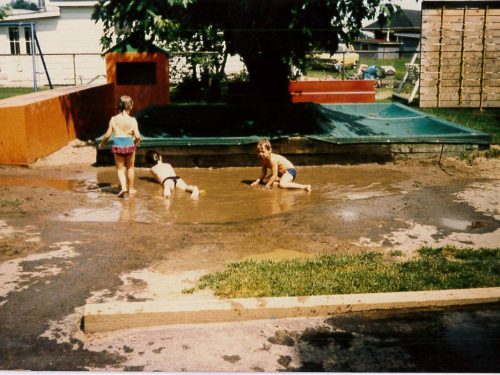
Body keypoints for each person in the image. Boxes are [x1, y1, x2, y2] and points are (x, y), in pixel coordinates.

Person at [98, 95, 141, 197]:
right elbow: (138, 136)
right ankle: (130, 189)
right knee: (130, 167)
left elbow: (108, 135)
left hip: (118, 145)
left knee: (120, 169)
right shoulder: (133, 120)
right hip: (129, 144)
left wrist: (101, 144)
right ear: (130, 106)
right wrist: (136, 143)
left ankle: (123, 187)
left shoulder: (113, 119)